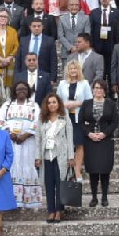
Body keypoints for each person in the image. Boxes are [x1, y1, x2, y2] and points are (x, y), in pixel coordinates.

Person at [0, 82, 42, 210]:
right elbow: (0, 121)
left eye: (24, 89)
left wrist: (25, 136)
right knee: (12, 167)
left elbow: (37, 123)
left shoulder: (34, 106)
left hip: (28, 143)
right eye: (18, 89)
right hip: (10, 142)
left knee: (27, 166)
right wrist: (10, 133)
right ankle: (12, 200)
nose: (21, 91)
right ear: (14, 91)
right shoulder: (7, 105)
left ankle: (28, 202)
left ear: (28, 91)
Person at [35, 94, 74, 224]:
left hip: (61, 155)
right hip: (47, 156)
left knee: (60, 183)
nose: (52, 104)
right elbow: (38, 139)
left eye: (54, 102)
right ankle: (51, 210)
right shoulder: (42, 119)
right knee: (49, 184)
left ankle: (59, 211)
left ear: (59, 104)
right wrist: (38, 157)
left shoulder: (64, 117)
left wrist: (71, 156)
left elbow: (70, 137)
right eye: (49, 103)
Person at [80, 80, 118, 207]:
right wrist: (89, 134)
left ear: (105, 90)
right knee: (93, 170)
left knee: (105, 169)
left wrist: (104, 133)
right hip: (90, 141)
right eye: (96, 88)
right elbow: (80, 122)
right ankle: (94, 197)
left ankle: (105, 197)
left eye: (101, 88)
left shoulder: (111, 104)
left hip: (105, 140)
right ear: (92, 89)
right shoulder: (86, 103)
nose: (98, 90)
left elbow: (114, 122)